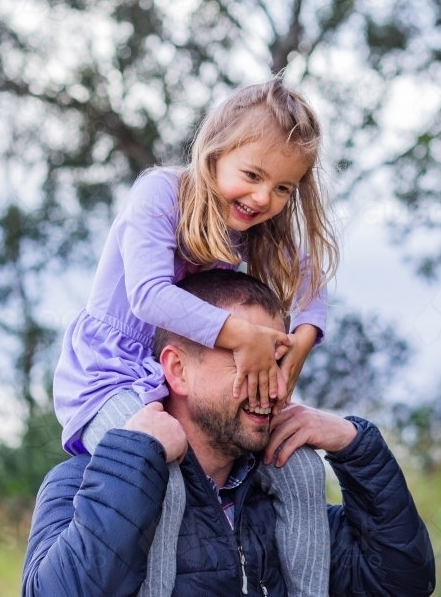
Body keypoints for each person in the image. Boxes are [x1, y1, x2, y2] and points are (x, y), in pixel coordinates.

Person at [52, 77, 338, 596]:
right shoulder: (162, 192)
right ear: (213, 154)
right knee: (163, 475)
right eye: (252, 175)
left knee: (299, 470)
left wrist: (303, 337)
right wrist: (243, 337)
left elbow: (310, 276)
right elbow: (148, 296)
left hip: (182, 380)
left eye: (283, 188)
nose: (263, 198)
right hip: (110, 378)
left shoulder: (254, 226)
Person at [25, 270, 435, 597]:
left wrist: (356, 446)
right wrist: (136, 458)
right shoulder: (84, 485)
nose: (274, 388)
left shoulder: (286, 506)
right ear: (178, 370)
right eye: (248, 363)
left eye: (278, 364)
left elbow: (402, 584)